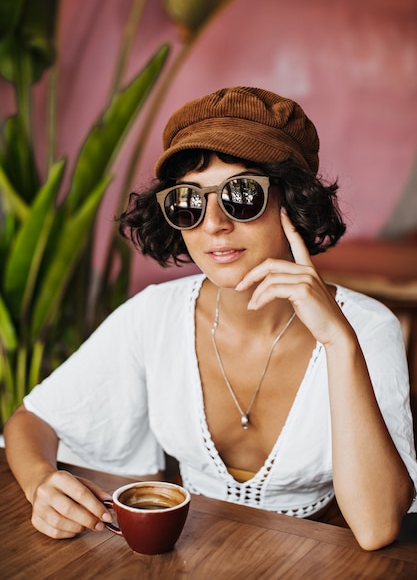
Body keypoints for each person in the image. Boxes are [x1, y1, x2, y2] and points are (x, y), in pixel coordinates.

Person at [4, 87, 417, 551]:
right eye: (189, 201)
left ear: (293, 203)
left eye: (241, 195)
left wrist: (340, 344)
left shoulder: (367, 327)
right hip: (192, 553)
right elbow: (30, 420)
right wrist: (42, 483)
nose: (214, 224)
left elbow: (377, 528)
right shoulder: (154, 314)